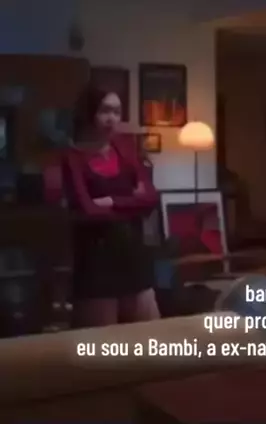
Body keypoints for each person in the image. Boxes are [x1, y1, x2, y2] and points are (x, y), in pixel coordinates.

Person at [62, 87, 160, 327]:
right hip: (96, 261)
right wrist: (132, 204)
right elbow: (87, 209)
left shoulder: (125, 148)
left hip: (132, 255)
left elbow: (151, 198)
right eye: (105, 111)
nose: (112, 119)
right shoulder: (73, 156)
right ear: (89, 113)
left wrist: (112, 201)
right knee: (103, 344)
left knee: (151, 338)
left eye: (117, 112)